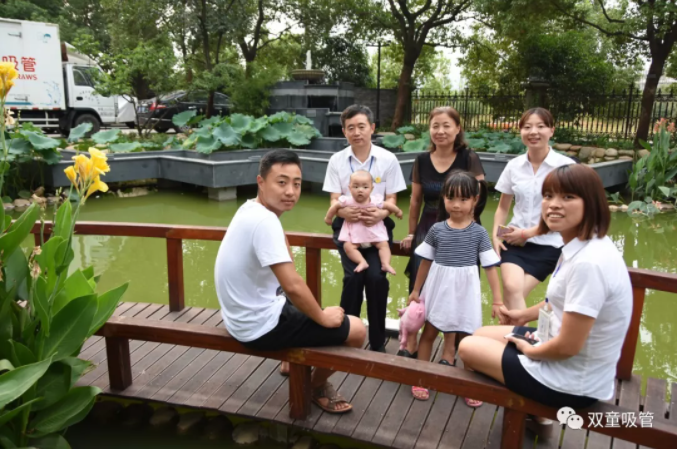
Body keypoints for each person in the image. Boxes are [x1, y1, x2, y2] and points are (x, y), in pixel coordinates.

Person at [458, 164, 632, 426]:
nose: (554, 204)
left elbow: (568, 347)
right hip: (557, 346)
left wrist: (531, 351)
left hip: (572, 381)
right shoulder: (580, 244)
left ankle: (534, 407)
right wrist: (522, 315)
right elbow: (560, 301)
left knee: (467, 347)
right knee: (481, 334)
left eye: (568, 197)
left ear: (592, 202)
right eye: (548, 196)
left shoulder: (589, 263)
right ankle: (528, 399)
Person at [214, 150, 367, 414]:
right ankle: (314, 386)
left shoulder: (250, 208)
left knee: (306, 303)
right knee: (356, 330)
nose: (290, 191)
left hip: (237, 318)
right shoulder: (265, 221)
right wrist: (322, 317)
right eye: (281, 182)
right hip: (258, 326)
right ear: (261, 182)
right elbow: (293, 286)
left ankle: (290, 359)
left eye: (296, 184)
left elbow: (287, 272)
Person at [408, 171, 502, 406]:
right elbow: (425, 262)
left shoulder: (479, 233)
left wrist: (498, 300)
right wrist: (416, 290)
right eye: (450, 198)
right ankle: (421, 377)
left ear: (475, 200)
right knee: (429, 333)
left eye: (463, 199)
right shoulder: (437, 229)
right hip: (439, 290)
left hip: (465, 293)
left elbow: (490, 268)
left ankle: (469, 386)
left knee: (468, 338)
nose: (456, 204)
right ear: (443, 198)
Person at [399, 106, 486, 358]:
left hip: (462, 228)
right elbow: (415, 200)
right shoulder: (421, 160)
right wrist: (411, 233)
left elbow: (479, 195)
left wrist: (468, 225)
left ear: (458, 128)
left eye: (446, 125)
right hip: (429, 226)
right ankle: (412, 340)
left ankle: (455, 348)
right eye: (435, 125)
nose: (440, 131)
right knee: (420, 283)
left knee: (458, 289)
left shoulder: (468, 157)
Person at [323, 105, 407, 353]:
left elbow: (392, 198)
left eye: (361, 126)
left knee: (376, 278)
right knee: (354, 277)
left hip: (377, 227)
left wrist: (382, 213)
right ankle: (346, 335)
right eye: (351, 128)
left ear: (372, 128)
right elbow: (334, 199)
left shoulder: (388, 159)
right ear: (344, 131)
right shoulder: (336, 160)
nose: (356, 132)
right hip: (348, 228)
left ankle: (377, 342)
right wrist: (342, 212)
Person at [493, 108, 575, 313]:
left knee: (513, 298)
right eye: (527, 127)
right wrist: (495, 235)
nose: (533, 132)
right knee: (512, 287)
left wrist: (527, 233)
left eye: (540, 126)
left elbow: (569, 214)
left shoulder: (566, 167)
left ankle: (516, 328)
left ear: (552, 130)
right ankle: (522, 330)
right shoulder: (513, 166)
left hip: (550, 243)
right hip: (514, 240)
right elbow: (503, 207)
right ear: (521, 131)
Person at [324, 170, 403, 274]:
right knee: (348, 247)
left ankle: (385, 264)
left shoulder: (375, 201)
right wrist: (328, 217)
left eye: (365, 187)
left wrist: (397, 211)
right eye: (356, 187)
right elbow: (334, 207)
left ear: (371, 188)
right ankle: (361, 261)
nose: (360, 190)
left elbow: (388, 205)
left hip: (373, 232)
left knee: (384, 245)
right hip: (355, 234)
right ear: (349, 188)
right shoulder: (347, 201)